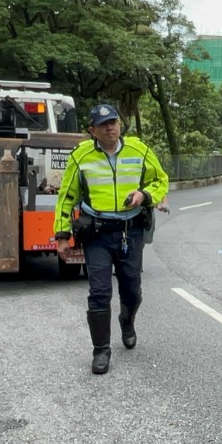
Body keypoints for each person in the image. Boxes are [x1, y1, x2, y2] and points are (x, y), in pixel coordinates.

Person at [53, 103, 169, 375]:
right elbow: (67, 197)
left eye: (113, 122)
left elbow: (160, 180)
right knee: (99, 292)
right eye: (103, 124)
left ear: (120, 124)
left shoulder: (139, 150)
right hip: (98, 234)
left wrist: (145, 195)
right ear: (92, 130)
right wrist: (62, 235)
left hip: (131, 231)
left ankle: (127, 322)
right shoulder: (81, 157)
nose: (110, 127)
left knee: (132, 289)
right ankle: (101, 350)